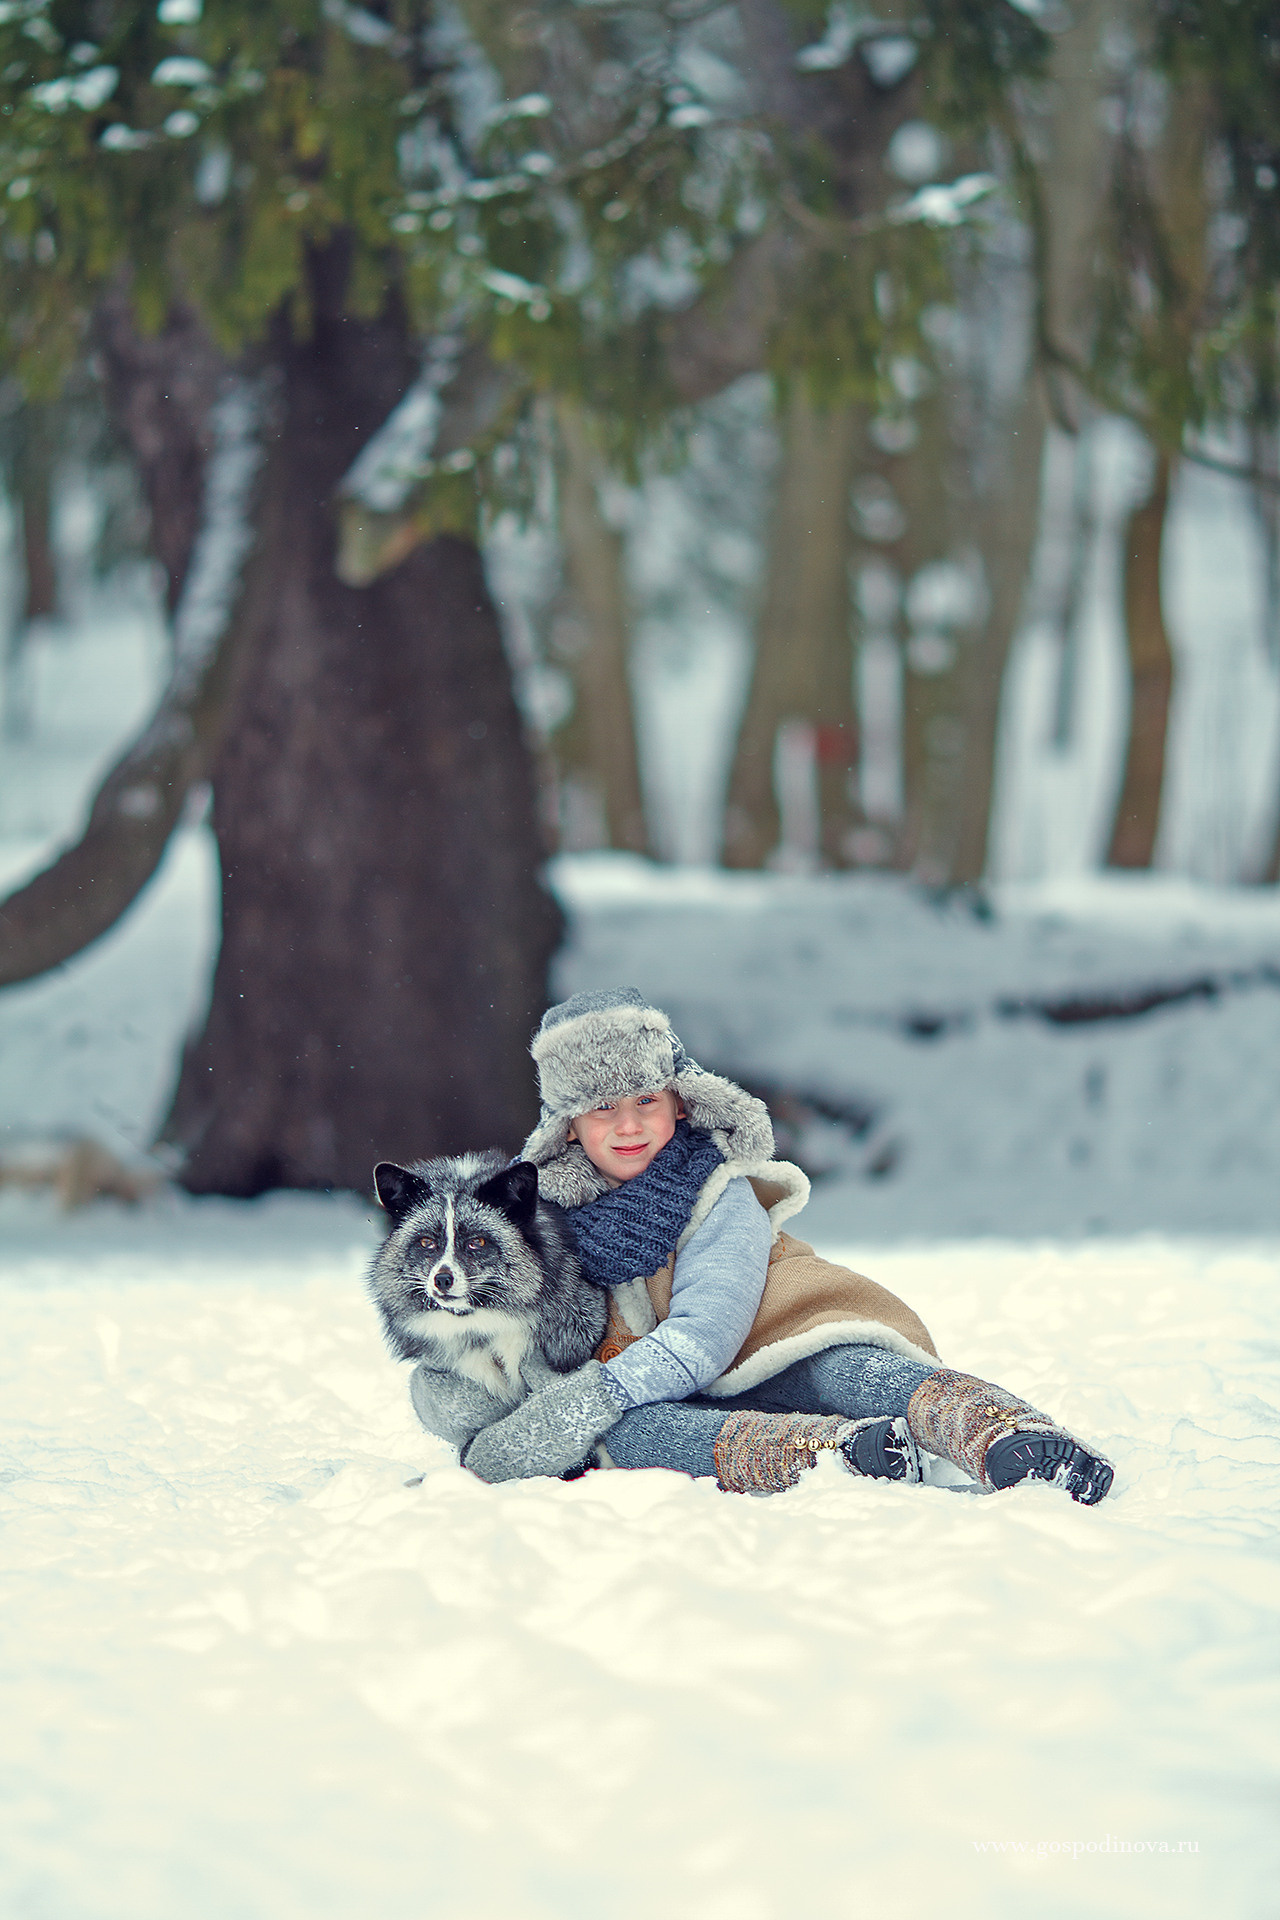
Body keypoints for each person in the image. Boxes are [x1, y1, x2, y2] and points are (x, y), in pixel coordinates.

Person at [461, 987, 1114, 1503]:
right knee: (625, 1437)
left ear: (680, 1106)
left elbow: (706, 1333)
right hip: (677, 1395)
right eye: (603, 1109)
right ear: (569, 1126)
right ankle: (828, 1453)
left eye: (645, 1101)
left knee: (845, 1373)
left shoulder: (716, 1192)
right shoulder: (546, 1223)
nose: (628, 1125)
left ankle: (992, 1429)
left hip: (779, 1338)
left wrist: (598, 1391)